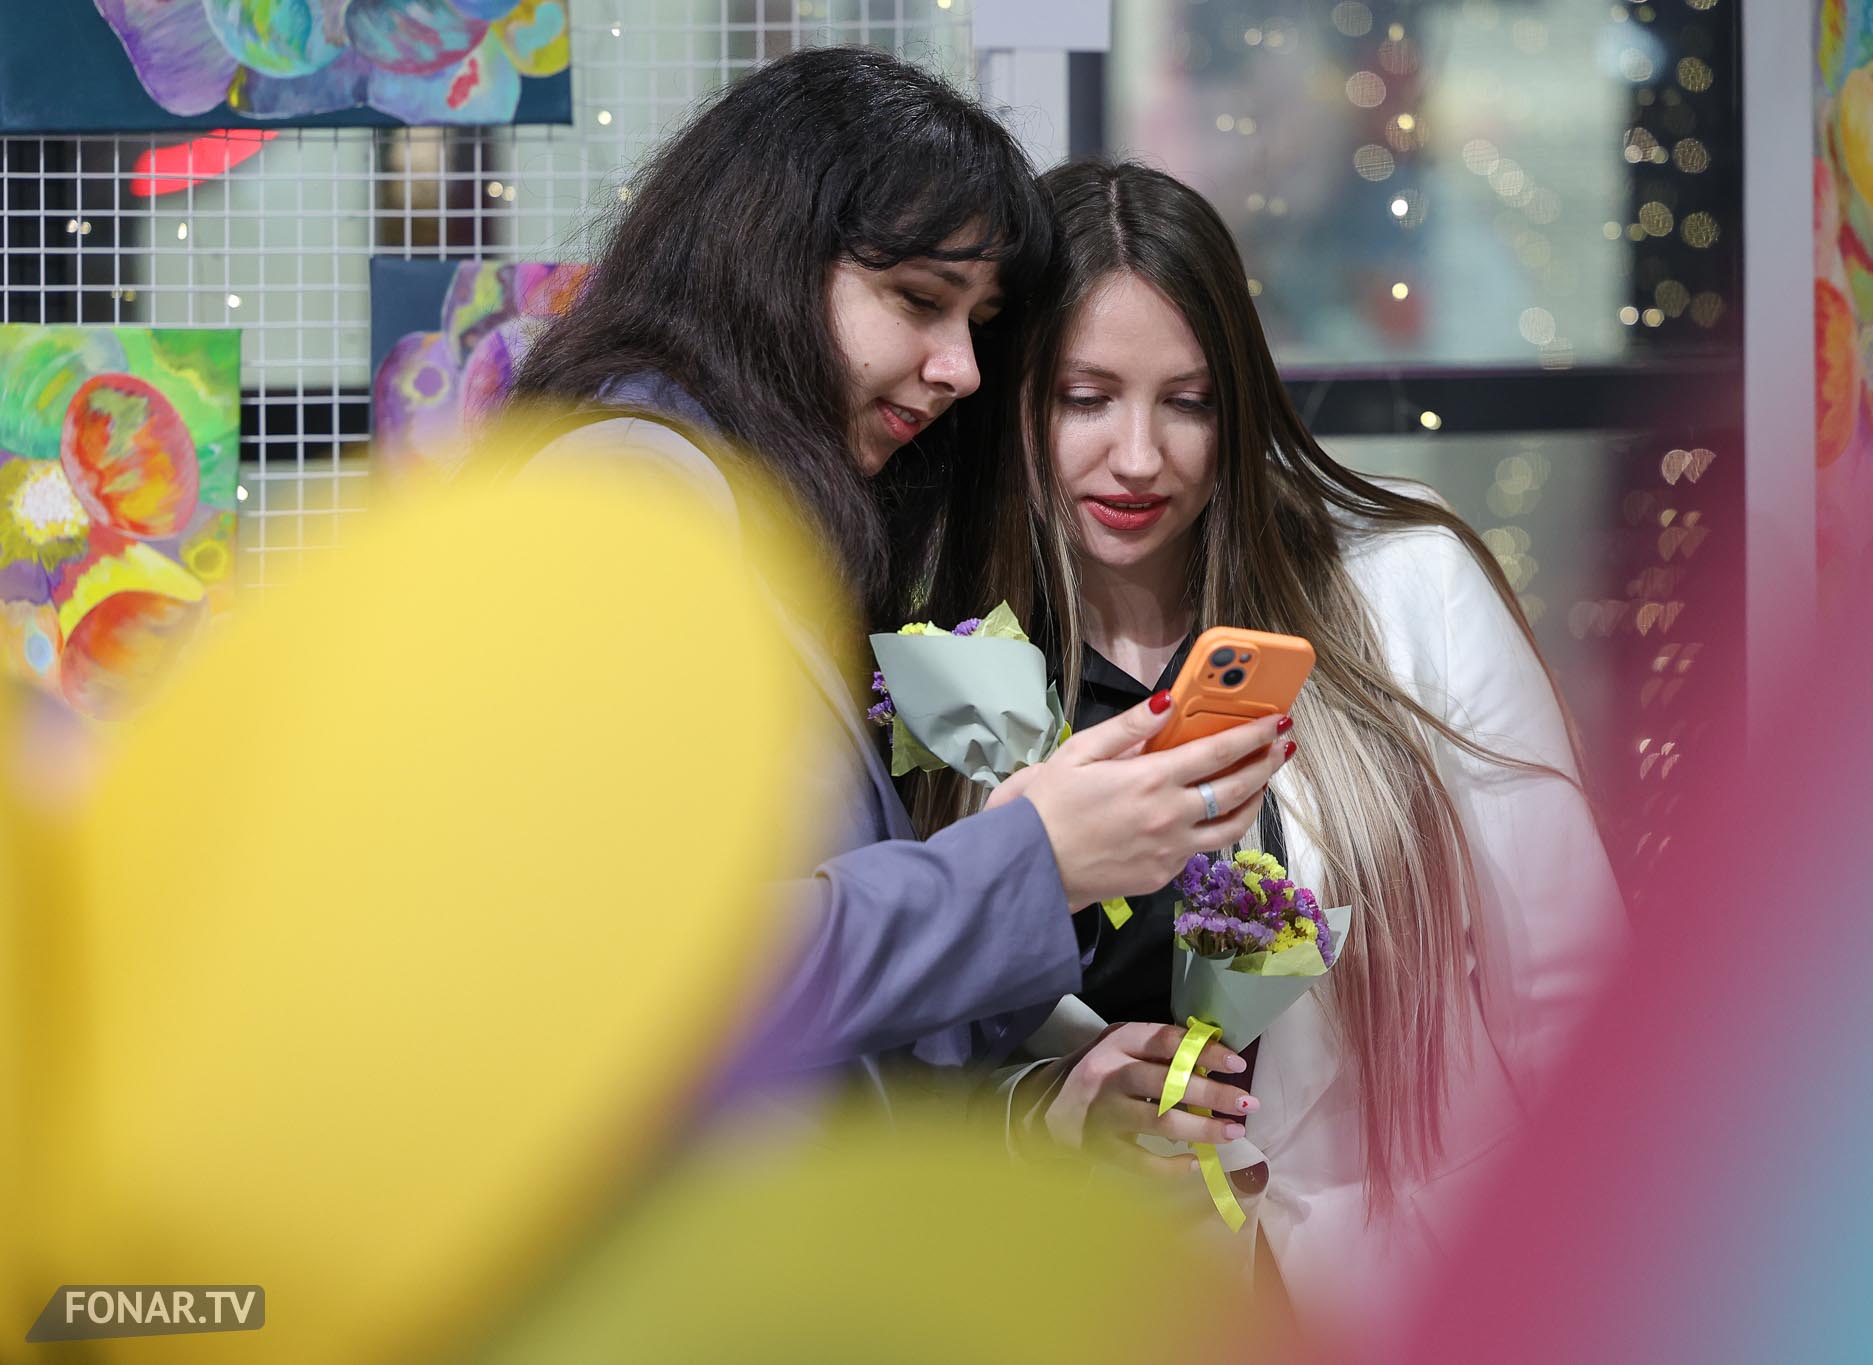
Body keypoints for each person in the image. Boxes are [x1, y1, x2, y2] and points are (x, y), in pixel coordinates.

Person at [504, 52, 1291, 1080]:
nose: (960, 370)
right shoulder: (632, 492)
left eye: (979, 326)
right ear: (766, 254)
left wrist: (1040, 1092)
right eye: (919, 300)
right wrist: (1028, 863)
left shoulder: (758, 519)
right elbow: (639, 972)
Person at [979, 161, 1626, 1326]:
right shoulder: (940, 656)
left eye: (1188, 401)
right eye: (1084, 398)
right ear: (1010, 391)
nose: (1138, 456)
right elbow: (895, 1054)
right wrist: (1052, 1111)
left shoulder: (1403, 584)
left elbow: (1567, 988)